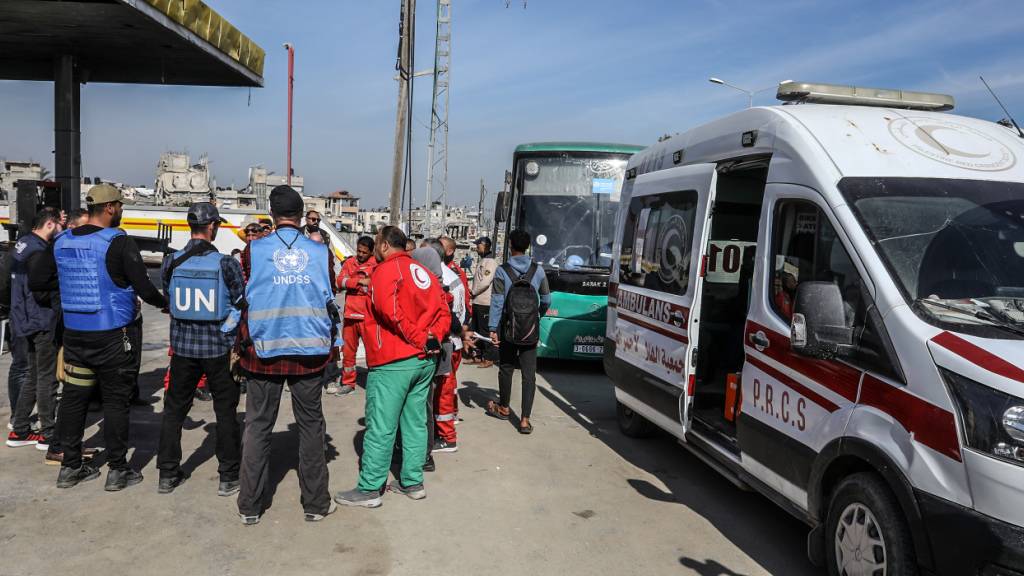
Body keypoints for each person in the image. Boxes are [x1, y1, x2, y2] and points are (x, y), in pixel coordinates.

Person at [31, 184, 169, 489]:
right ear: (109, 208)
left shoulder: (62, 241)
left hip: (75, 335)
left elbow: (37, 280)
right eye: (119, 205)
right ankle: (118, 470)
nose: (121, 210)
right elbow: (145, 288)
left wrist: (69, 288)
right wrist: (166, 304)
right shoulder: (118, 242)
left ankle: (70, 467)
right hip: (112, 335)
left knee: (74, 397)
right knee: (116, 401)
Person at [236, 185, 340, 525]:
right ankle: (316, 503)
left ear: (272, 214)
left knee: (257, 426)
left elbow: (243, 293)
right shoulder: (320, 252)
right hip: (309, 351)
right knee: (311, 427)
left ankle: (250, 506)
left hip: (263, 350)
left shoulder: (253, 250)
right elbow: (330, 292)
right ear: (301, 215)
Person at [334, 226, 450, 508]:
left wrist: (419, 337)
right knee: (414, 423)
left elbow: (389, 311)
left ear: (384, 245)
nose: (374, 249)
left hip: (394, 360)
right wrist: (431, 337)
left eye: (376, 243)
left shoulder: (386, 270)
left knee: (381, 426)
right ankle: (412, 481)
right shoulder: (422, 271)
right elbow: (444, 311)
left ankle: (370, 488)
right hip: (424, 360)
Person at [156, 202, 245, 496]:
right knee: (226, 412)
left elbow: (169, 298)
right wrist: (227, 332)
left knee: (174, 411)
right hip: (218, 350)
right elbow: (240, 302)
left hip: (182, 349)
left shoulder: (171, 261)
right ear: (212, 227)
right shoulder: (226, 263)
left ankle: (167, 473)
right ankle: (228, 476)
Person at [6, 208, 62, 458]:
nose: (61, 228)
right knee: (46, 377)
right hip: (40, 319)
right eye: (59, 224)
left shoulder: (22, 244)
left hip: (23, 318)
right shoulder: (40, 251)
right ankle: (48, 433)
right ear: (49, 224)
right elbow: (41, 290)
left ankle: (19, 429)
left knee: (33, 375)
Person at [487, 229, 550, 434]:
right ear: (528, 246)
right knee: (529, 374)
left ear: (511, 246)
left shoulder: (502, 271)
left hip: (508, 328)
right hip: (530, 329)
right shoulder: (538, 270)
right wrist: (536, 315)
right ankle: (524, 420)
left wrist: (493, 328)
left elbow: (497, 301)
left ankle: (504, 408)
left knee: (506, 368)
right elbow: (547, 299)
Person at [424, 239, 466, 455]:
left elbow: (449, 317)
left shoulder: (439, 279)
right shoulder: (453, 276)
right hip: (453, 342)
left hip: (445, 343)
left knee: (441, 394)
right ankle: (443, 433)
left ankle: (447, 437)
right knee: (444, 392)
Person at [336, 236, 376, 396]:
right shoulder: (349, 262)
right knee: (348, 352)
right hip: (350, 315)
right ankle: (348, 383)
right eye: (359, 251)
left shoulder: (376, 265)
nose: (360, 254)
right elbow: (339, 282)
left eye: (364, 252)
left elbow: (372, 286)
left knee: (372, 352)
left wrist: (351, 282)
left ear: (371, 252)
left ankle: (373, 383)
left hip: (368, 316)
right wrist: (359, 282)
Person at [468, 236, 498, 367]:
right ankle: (477, 355)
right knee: (476, 330)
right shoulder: (483, 260)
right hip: (477, 301)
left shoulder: (490, 262)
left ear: (485, 245)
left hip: (485, 302)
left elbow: (485, 282)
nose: (476, 247)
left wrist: (473, 291)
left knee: (485, 331)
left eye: (478, 245)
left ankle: (489, 358)